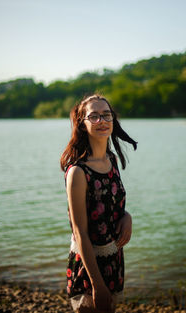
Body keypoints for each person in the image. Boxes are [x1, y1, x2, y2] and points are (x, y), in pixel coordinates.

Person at [60, 94, 137, 313]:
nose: (101, 121)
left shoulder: (111, 160)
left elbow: (112, 203)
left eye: (106, 115)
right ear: (82, 125)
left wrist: (127, 216)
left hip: (112, 257)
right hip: (89, 266)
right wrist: (97, 284)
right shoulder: (78, 172)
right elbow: (79, 231)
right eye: (93, 116)